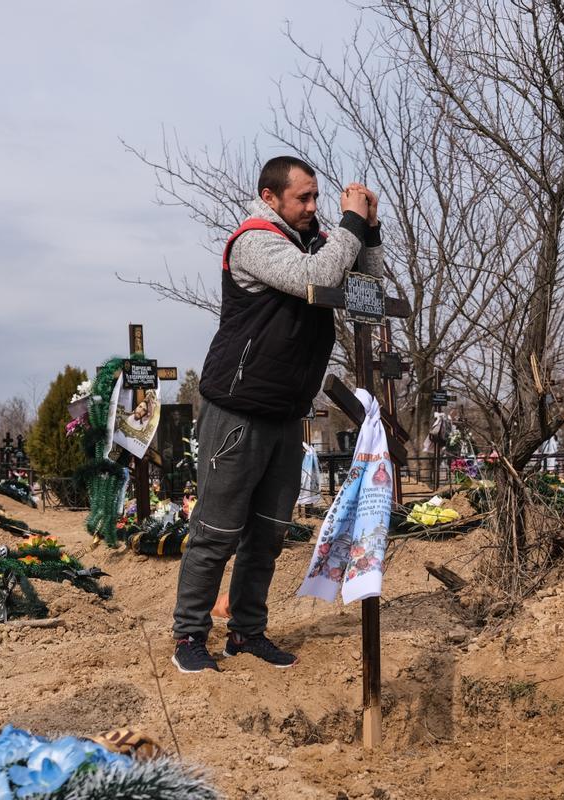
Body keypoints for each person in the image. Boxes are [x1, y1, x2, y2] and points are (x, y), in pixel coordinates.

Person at [171, 155, 384, 673]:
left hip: (287, 411)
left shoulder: (316, 240)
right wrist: (349, 227)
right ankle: (190, 636)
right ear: (271, 198)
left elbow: (368, 294)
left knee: (267, 532)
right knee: (216, 531)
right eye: (303, 198)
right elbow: (317, 277)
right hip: (238, 410)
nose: (314, 207)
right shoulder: (255, 240)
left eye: (317, 197)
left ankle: (247, 632)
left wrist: (369, 231)